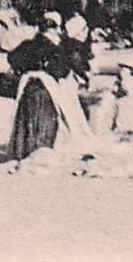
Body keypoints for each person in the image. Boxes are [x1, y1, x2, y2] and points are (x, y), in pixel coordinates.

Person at [7, 12, 87, 161]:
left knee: (27, 122)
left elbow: (12, 58)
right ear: (53, 29)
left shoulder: (28, 44)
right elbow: (61, 69)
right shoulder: (54, 48)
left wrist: (27, 70)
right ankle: (40, 154)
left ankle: (24, 152)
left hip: (28, 88)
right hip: (46, 90)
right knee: (45, 123)